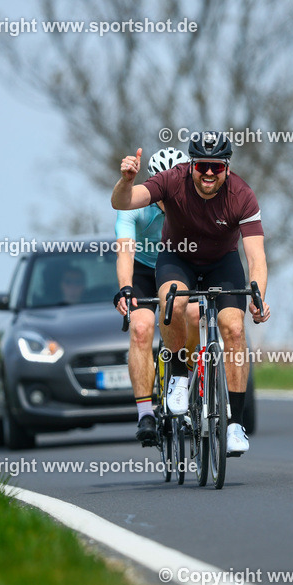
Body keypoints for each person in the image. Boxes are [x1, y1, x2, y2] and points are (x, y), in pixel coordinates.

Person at [111, 132, 270, 456]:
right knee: (174, 301)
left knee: (234, 329)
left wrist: (258, 298)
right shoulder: (172, 180)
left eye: (216, 167)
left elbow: (256, 257)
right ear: (191, 166)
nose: (209, 173)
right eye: (202, 166)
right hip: (177, 259)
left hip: (222, 263)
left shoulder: (242, 195)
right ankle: (178, 377)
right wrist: (126, 181)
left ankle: (235, 425)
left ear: (227, 168)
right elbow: (122, 203)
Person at [113, 147, 190, 447]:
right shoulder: (135, 204)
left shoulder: (195, 204)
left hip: (182, 267)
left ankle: (191, 388)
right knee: (141, 328)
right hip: (145, 270)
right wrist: (126, 287)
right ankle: (145, 413)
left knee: (194, 315)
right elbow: (125, 251)